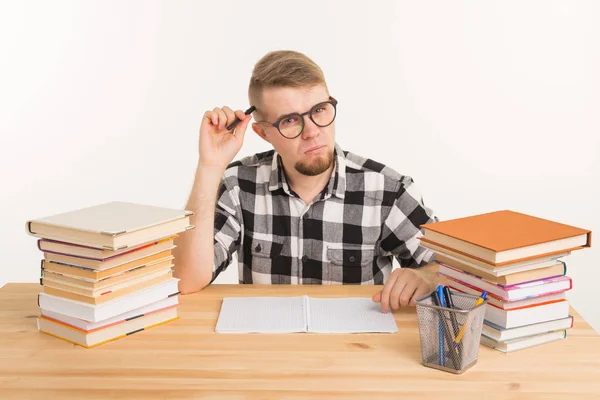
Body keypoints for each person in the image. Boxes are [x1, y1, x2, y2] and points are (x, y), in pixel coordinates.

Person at [173, 50, 440, 313]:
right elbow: (186, 280)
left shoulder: (389, 190)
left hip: (356, 350)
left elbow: (458, 271)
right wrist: (210, 166)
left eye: (320, 110)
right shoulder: (237, 185)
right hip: (265, 349)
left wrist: (428, 277)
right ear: (263, 133)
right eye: (290, 120)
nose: (313, 132)